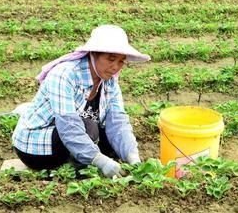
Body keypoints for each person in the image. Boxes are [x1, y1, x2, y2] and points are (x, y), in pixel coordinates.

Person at [12, 25, 150, 177]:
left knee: (113, 142)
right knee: (89, 127)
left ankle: (85, 160)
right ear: (94, 54)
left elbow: (118, 122)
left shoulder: (109, 81)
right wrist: (100, 160)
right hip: (36, 147)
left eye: (121, 61)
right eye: (111, 59)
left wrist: (132, 157)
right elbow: (68, 126)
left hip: (70, 137)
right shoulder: (65, 74)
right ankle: (82, 167)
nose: (115, 67)